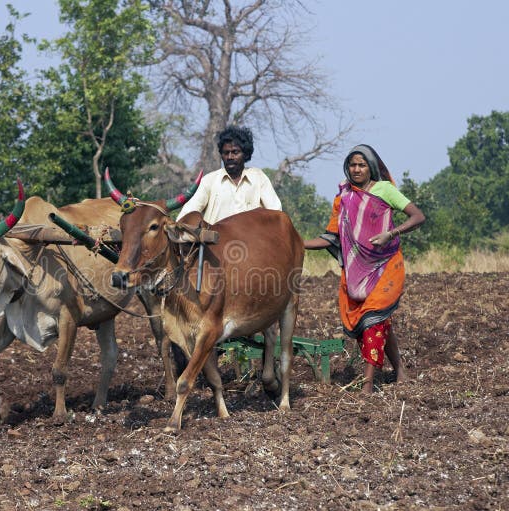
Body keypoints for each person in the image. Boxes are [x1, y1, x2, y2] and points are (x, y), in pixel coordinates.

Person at [303, 144, 425, 393]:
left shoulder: (385, 190)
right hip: (355, 270)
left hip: (386, 265)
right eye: (352, 165)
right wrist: (299, 243)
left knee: (372, 320)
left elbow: (417, 216)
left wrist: (390, 233)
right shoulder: (343, 196)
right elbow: (331, 236)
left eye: (361, 165)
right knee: (377, 320)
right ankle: (400, 371)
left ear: (371, 167)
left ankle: (367, 384)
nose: (356, 169)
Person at [177, 125, 281, 223]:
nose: (230, 157)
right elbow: (188, 212)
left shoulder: (259, 178)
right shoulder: (209, 181)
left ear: (245, 154)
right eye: (226, 153)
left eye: (235, 152)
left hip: (253, 240)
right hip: (216, 240)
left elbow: (276, 214)